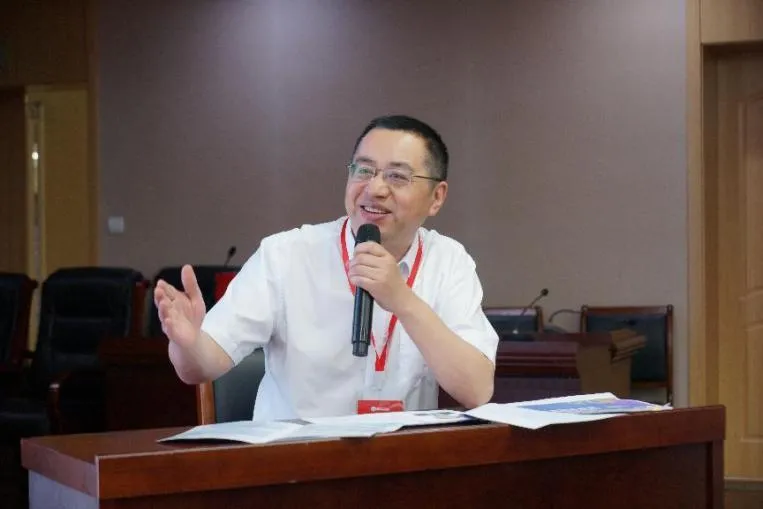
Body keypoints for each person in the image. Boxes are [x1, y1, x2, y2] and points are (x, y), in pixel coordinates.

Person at [154, 115, 499, 421]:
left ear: (437, 197)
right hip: (296, 462)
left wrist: (402, 300)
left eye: (397, 176)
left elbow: (476, 390)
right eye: (363, 170)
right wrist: (187, 344)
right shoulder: (286, 255)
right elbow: (200, 367)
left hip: (399, 463)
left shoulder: (449, 262)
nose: (375, 188)